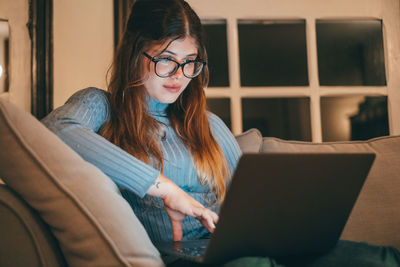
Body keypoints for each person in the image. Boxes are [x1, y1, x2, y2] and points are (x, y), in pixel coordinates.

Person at [42, 0, 400, 266]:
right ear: (135, 54)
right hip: (180, 259)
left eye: (190, 62)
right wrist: (166, 189)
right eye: (166, 59)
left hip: (234, 248)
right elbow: (54, 131)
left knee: (379, 258)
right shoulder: (100, 106)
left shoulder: (209, 124)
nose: (179, 75)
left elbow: (245, 197)